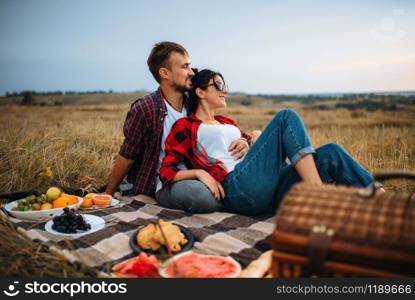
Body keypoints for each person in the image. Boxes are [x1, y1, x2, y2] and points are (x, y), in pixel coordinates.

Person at [159, 69, 377, 215]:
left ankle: (384, 201)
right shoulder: (186, 126)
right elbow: (166, 171)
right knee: (286, 117)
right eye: (217, 84)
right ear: (200, 92)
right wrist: (199, 173)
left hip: (267, 188)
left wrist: (250, 138)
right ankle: (317, 194)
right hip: (237, 188)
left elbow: (255, 150)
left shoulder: (227, 122)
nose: (225, 89)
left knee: (331, 152)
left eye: (224, 83)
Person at [104, 42, 249, 213]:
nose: (192, 72)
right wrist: (108, 193)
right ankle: (243, 201)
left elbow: (218, 130)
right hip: (165, 181)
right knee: (199, 196)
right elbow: (128, 154)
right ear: (164, 73)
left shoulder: (193, 103)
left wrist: (243, 139)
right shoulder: (145, 108)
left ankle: (239, 198)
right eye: (185, 66)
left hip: (207, 172)